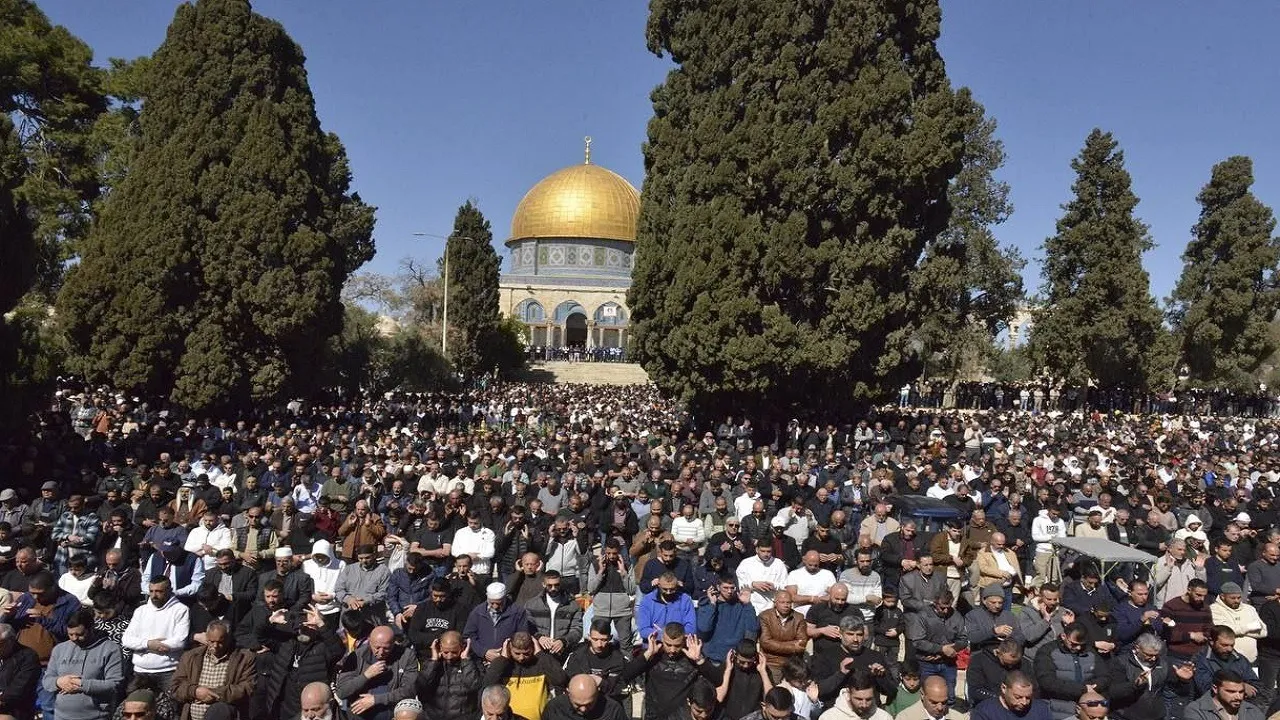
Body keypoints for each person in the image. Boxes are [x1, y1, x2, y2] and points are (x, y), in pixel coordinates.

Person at [257, 605, 344, 720]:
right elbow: (260, 637)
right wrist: (269, 621)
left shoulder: (322, 648)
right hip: (282, 706)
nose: (305, 629)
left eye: (310, 625)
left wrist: (321, 625)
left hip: (309, 710)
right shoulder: (287, 643)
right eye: (303, 625)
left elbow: (338, 650)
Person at [617, 624, 720, 720]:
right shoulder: (653, 655)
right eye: (668, 644)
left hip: (681, 716)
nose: (672, 650)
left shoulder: (692, 656)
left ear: (684, 640)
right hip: (654, 715)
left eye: (677, 645)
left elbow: (717, 681)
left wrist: (700, 660)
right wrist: (647, 655)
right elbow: (626, 675)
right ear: (662, 639)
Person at [43, 609, 125, 720]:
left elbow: (115, 685)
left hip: (96, 716)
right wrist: (59, 682)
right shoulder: (59, 649)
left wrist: (81, 685)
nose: (74, 638)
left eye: (79, 634)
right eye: (70, 634)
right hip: (61, 716)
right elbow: (47, 680)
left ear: (91, 629)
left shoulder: (110, 649)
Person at [170, 620, 256, 720]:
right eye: (211, 641)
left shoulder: (244, 658)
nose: (215, 646)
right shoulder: (190, 657)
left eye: (220, 642)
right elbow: (176, 686)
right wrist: (195, 691)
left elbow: (247, 688)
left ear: (228, 639)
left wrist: (213, 694)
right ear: (206, 638)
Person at [333, 626, 419, 720]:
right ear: (369, 641)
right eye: (377, 647)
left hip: (391, 714)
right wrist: (366, 675)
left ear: (394, 643)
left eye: (386, 648)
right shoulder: (357, 657)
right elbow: (341, 692)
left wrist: (376, 700)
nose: (381, 652)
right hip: (360, 716)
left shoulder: (406, 656)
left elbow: (409, 690)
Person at [480, 632, 568, 720]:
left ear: (533, 647)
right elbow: (487, 686)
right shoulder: (503, 666)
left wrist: (540, 654)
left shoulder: (541, 662)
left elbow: (560, 680)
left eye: (526, 653)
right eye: (517, 653)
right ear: (510, 647)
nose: (521, 657)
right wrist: (502, 659)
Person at [121, 577, 189, 689]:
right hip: (140, 671)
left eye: (159, 591)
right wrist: (149, 644)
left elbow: (180, 641)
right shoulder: (140, 611)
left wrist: (148, 646)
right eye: (151, 591)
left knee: (171, 705)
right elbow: (126, 639)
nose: (154, 595)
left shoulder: (181, 610)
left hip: (168, 671)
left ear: (169, 590)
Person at [1106, 633, 1195, 720]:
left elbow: (1180, 692)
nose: (1153, 659)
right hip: (1125, 716)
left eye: (1156, 655)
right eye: (1149, 655)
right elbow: (1114, 692)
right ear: (1137, 648)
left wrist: (1183, 680)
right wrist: (1135, 685)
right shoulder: (1120, 663)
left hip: (1156, 715)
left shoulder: (1163, 663)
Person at [1033, 623, 1109, 720]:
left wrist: (1092, 688)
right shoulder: (1047, 651)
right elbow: (1047, 681)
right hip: (1057, 709)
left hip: (1088, 711)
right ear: (1063, 636)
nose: (1078, 648)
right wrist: (1082, 689)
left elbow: (1104, 676)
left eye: (1081, 645)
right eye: (1074, 644)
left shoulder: (1090, 652)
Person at [907, 591, 968, 705]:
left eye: (948, 608)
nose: (945, 611)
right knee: (928, 695)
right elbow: (917, 641)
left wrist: (949, 650)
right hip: (927, 663)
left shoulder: (956, 616)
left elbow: (963, 639)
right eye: (942, 608)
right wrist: (941, 649)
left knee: (949, 696)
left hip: (948, 663)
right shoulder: (922, 616)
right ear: (935, 603)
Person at [415, 631, 482, 720]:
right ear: (440, 647)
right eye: (446, 652)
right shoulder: (432, 664)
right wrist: (434, 661)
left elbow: (475, 686)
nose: (449, 656)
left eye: (454, 652)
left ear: (462, 647)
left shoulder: (473, 663)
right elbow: (421, 686)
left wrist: (466, 661)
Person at [463, 582, 536, 662]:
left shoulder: (518, 612)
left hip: (509, 660)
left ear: (505, 598)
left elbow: (522, 637)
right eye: (492, 603)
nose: (495, 606)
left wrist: (505, 651)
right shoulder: (477, 612)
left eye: (498, 603)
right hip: (482, 660)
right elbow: (469, 636)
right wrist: (484, 652)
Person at [1191, 626, 1262, 702]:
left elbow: (1255, 684)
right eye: (1224, 645)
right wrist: (1241, 687)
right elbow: (1206, 689)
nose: (1229, 649)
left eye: (1232, 645)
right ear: (1212, 642)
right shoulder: (1201, 660)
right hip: (1211, 706)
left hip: (1240, 705)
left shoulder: (1239, 659)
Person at [564, 620, 628, 702]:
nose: (599, 644)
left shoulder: (618, 660)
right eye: (595, 639)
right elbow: (568, 682)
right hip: (581, 704)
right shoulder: (577, 657)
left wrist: (602, 683)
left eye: (603, 640)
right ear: (589, 637)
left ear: (610, 638)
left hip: (608, 705)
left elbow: (622, 690)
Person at [524, 571, 583, 659]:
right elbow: (526, 626)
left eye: (557, 585)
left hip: (563, 651)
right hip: (539, 651)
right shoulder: (531, 604)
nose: (553, 588)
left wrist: (564, 641)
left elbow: (577, 629)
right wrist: (539, 637)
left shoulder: (572, 605)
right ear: (543, 584)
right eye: (549, 585)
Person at [757, 591, 808, 683]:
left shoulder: (799, 618)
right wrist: (793, 646)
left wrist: (775, 644)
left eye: (788, 602)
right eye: (782, 602)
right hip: (772, 662)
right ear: (775, 603)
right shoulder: (764, 617)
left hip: (792, 663)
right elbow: (766, 643)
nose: (786, 605)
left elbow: (802, 643)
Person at [1210, 582, 1266, 664]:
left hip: (1251, 660)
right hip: (1226, 659)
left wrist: (1238, 631)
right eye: (1233, 598)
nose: (1237, 601)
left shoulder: (1249, 609)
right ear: (1222, 596)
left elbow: (1264, 632)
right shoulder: (1214, 609)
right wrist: (1249, 627)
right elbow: (1224, 632)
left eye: (1239, 598)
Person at [969, 640, 1034, 707]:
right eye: (1006, 663)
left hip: (1020, 707)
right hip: (988, 706)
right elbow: (975, 690)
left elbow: (1034, 688)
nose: (1010, 667)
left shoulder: (1025, 664)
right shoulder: (978, 661)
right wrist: (1002, 699)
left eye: (1014, 664)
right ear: (997, 652)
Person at [333, 544, 389, 619]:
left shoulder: (383, 571)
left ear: (374, 555)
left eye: (367, 558)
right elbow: (338, 589)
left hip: (372, 615)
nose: (364, 561)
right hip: (349, 614)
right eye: (361, 558)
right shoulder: (349, 569)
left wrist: (366, 601)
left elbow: (384, 593)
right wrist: (348, 599)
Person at [637, 571, 696, 641]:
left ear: (677, 586)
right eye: (665, 589)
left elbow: (691, 628)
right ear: (658, 585)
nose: (668, 592)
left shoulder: (685, 600)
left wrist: (671, 636)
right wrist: (665, 636)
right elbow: (644, 630)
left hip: (678, 644)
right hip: (654, 644)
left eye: (672, 589)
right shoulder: (647, 601)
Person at [1182, 670, 1264, 720]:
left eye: (1241, 692)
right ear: (1215, 689)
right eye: (1231, 692)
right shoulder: (1196, 711)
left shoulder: (1252, 711)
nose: (1238, 697)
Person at [541, 673, 628, 720]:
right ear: (568, 694)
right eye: (578, 705)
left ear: (597, 693)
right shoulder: (555, 708)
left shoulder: (613, 710)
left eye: (589, 704)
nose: (583, 709)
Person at [972, 671, 1053, 720]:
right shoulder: (985, 712)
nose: (1024, 702)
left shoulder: (1041, 709)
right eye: (1018, 697)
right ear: (1004, 688)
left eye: (1028, 697)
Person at [895, 676, 967, 720]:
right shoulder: (905, 718)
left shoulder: (959, 718)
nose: (940, 708)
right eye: (934, 703)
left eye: (944, 702)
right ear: (922, 695)